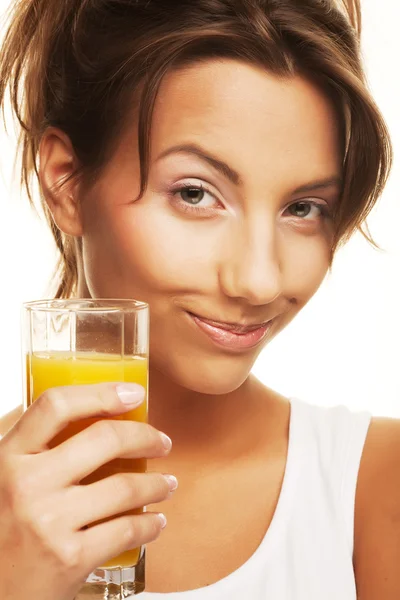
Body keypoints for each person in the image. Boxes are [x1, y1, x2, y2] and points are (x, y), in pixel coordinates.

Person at [0, 0, 398, 598]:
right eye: (194, 193)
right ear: (66, 182)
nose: (259, 281)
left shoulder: (377, 483)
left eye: (302, 208)